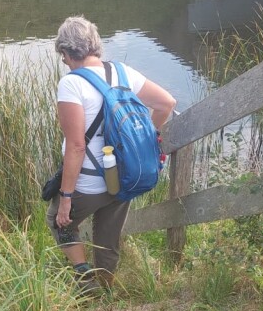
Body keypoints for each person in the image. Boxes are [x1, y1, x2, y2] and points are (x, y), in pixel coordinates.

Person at [47, 15, 176, 295]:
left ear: (69, 52)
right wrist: (144, 137)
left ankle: (85, 281)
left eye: (63, 55)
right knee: (108, 236)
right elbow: (167, 103)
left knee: (58, 221)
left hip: (89, 182)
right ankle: (106, 287)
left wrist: (66, 198)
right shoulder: (123, 72)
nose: (64, 62)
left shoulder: (72, 84)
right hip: (125, 175)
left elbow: (77, 146)